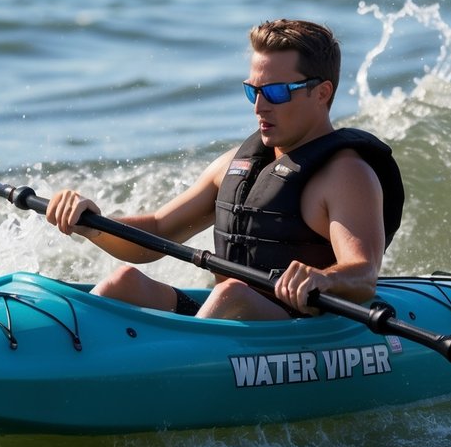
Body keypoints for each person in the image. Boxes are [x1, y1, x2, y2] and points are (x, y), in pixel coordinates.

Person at [45, 19, 404, 320]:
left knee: (232, 294)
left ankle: (170, 378)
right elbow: (156, 232)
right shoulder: (236, 165)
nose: (260, 107)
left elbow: (363, 273)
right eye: (253, 91)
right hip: (223, 325)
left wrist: (322, 279)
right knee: (125, 281)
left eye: (276, 92)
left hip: (295, 327)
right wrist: (91, 224)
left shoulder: (345, 175)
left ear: (322, 93)